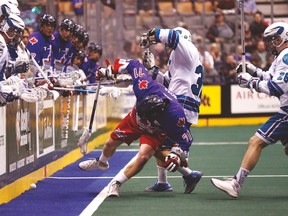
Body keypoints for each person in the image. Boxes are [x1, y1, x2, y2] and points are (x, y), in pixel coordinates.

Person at [79, 58, 202, 197]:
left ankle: (116, 184)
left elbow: (186, 140)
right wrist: (109, 71)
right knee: (110, 143)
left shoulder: (175, 116)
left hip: (156, 130)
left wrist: (178, 155)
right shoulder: (144, 86)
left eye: (147, 118)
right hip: (134, 119)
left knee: (143, 157)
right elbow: (133, 64)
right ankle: (101, 162)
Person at [211, 22, 288, 198]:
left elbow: (276, 87)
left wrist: (250, 83)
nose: (270, 44)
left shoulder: (286, 56)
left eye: (273, 40)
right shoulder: (282, 56)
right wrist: (254, 70)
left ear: (283, 38)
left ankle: (235, 184)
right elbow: (270, 76)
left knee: (255, 141)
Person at [138, 26, 204, 192]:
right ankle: (164, 182)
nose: (167, 47)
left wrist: (151, 36)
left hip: (180, 103)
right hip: (182, 102)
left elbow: (172, 35)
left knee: (155, 142)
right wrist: (152, 69)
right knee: (158, 140)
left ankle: (189, 174)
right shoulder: (179, 58)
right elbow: (166, 82)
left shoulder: (186, 48)